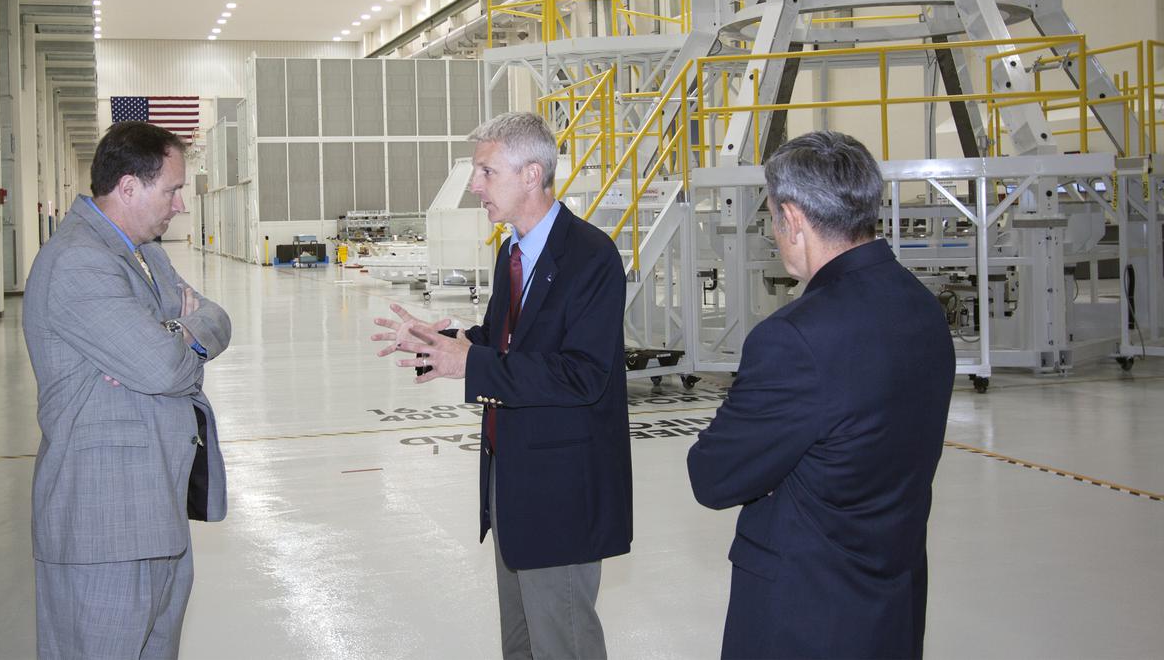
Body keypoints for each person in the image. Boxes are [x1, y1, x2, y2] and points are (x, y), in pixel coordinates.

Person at [373, 111, 632, 660]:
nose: (473, 186)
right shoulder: (510, 252)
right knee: (520, 643)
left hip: (561, 490)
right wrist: (441, 341)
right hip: (512, 480)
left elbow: (583, 375)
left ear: (531, 175)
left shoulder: (591, 258)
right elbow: (501, 340)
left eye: (485, 172)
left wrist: (471, 361)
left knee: (562, 640)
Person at [687, 130, 955, 660]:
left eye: (770, 220)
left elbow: (713, 476)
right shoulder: (923, 309)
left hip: (802, 616)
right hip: (890, 603)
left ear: (792, 218)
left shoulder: (793, 338)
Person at [24, 121, 232, 659]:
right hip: (104, 525)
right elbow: (163, 367)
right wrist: (171, 340)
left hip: (156, 512)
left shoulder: (145, 253)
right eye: (173, 190)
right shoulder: (79, 262)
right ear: (129, 188)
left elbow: (215, 319)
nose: (182, 205)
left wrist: (176, 337)